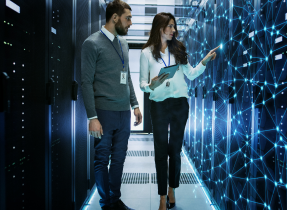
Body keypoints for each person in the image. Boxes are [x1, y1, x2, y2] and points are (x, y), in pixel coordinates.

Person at [139, 12, 219, 210]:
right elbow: (142, 84)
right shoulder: (146, 53)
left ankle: (172, 188)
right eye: (170, 26)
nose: (174, 30)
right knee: (160, 151)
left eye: (174, 27)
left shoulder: (179, 50)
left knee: (175, 150)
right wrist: (151, 84)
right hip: (158, 104)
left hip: (179, 104)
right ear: (160, 28)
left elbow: (190, 75)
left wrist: (204, 61)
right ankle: (162, 195)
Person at [80, 0, 142, 209]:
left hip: (123, 113)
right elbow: (86, 82)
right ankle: (107, 203)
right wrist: (92, 117)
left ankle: (115, 200)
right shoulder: (92, 43)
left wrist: (135, 104)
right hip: (103, 113)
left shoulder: (122, 43)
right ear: (114, 18)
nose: (130, 23)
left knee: (118, 161)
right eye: (128, 18)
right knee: (101, 159)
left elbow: (127, 78)